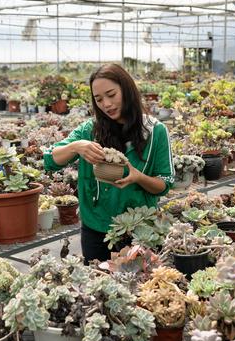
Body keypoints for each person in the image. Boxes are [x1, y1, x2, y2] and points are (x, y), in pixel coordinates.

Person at [43, 64, 174, 265]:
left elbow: (164, 184)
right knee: (98, 287)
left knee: (138, 288)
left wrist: (138, 177)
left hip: (140, 231)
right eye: (99, 99)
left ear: (127, 90)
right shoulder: (90, 131)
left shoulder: (155, 132)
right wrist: (77, 146)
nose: (106, 104)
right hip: (96, 229)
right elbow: (50, 160)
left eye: (111, 94)